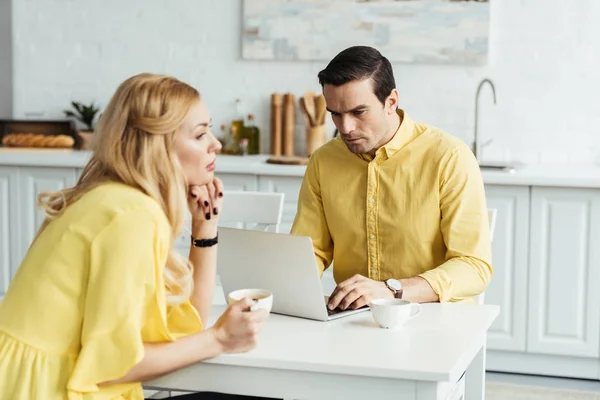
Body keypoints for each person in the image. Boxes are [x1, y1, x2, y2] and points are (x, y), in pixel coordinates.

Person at [0, 73, 274, 399]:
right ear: (157, 146)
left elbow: (185, 325)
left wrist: (205, 227)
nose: (216, 144)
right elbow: (112, 367)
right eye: (200, 134)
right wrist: (220, 339)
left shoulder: (113, 198)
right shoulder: (131, 215)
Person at [290, 46, 492, 311]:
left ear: (391, 102)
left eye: (358, 112)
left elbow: (474, 266)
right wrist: (282, 287)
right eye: (335, 114)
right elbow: (310, 251)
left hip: (434, 316)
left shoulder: (449, 157)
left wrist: (391, 290)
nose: (345, 128)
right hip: (353, 318)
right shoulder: (323, 161)